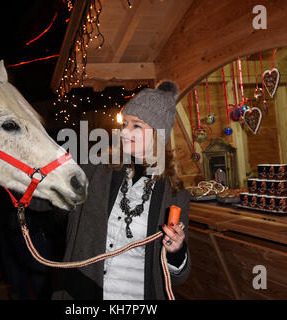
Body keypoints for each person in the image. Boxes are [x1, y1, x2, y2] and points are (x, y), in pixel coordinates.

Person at [29, 81, 191, 300]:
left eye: (136, 126)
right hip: (82, 295)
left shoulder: (175, 195)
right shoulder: (95, 170)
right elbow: (42, 199)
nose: (125, 132)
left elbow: (179, 277)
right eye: (125, 124)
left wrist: (176, 250)